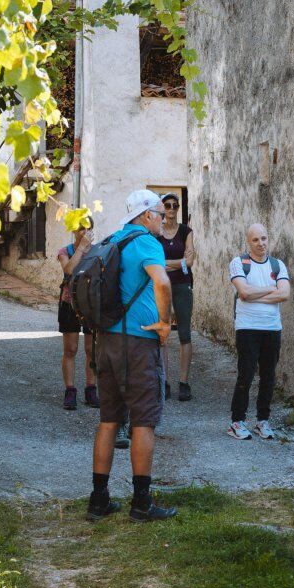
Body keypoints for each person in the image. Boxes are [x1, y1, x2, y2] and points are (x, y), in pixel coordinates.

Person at [87, 190, 177, 523]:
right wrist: (165, 322)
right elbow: (163, 282)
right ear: (145, 215)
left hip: (108, 340)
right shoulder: (146, 243)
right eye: (159, 212)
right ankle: (141, 503)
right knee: (143, 421)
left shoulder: (114, 239)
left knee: (109, 420)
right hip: (138, 343)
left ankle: (98, 500)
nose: (163, 218)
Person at [228, 223, 292, 440]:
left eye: (263, 238)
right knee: (245, 375)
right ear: (248, 242)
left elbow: (284, 294)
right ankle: (237, 421)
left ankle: (262, 421)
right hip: (247, 328)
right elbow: (243, 291)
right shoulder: (239, 263)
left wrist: (255, 295)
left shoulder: (277, 265)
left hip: (272, 328)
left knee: (268, 377)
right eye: (255, 239)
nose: (260, 243)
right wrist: (269, 289)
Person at [57, 222, 99, 410]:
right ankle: (70, 390)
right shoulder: (65, 251)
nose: (85, 232)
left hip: (90, 304)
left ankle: (91, 389)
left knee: (92, 350)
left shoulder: (98, 250)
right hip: (69, 302)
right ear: (74, 230)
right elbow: (68, 270)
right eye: (81, 228)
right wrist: (81, 249)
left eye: (88, 228)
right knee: (71, 349)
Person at [157, 193, 194, 402]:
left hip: (182, 285)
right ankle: (164, 381)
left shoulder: (185, 231)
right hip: (162, 285)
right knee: (162, 334)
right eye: (167, 205)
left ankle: (184, 383)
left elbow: (189, 262)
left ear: (178, 208)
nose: (171, 209)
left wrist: (167, 263)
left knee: (184, 333)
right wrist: (178, 262)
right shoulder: (156, 234)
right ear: (162, 208)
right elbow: (155, 260)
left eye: (174, 205)